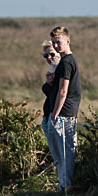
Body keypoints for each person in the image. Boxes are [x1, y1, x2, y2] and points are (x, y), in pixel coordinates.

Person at [48, 26, 82, 192]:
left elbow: (63, 91)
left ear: (68, 41)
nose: (56, 46)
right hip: (65, 113)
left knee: (65, 153)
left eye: (59, 42)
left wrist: (55, 114)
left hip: (64, 114)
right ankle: (64, 185)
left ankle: (66, 186)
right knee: (62, 154)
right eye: (54, 43)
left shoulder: (67, 62)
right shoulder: (64, 61)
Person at [40, 40, 61, 170]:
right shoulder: (52, 70)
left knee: (61, 153)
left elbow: (59, 93)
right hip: (48, 116)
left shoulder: (62, 70)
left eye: (52, 54)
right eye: (46, 56)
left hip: (56, 116)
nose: (49, 58)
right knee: (55, 152)